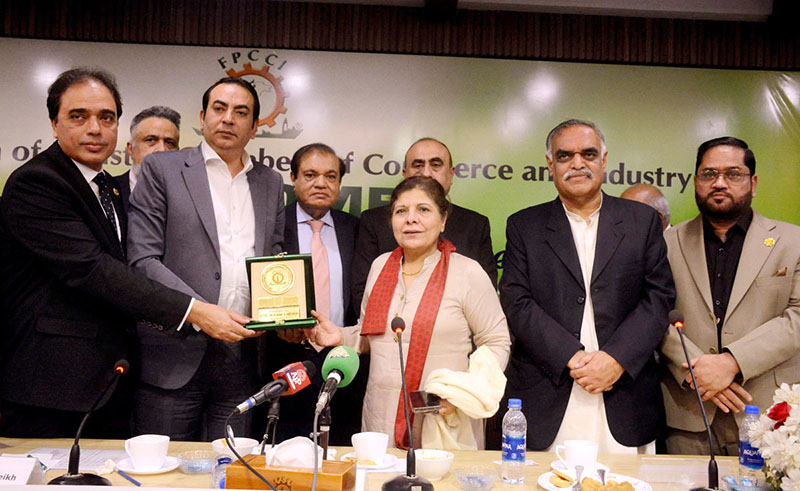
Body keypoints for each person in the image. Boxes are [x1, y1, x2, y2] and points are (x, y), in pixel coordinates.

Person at [0, 68, 255, 438]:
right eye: (78, 116)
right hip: (50, 387)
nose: (95, 128)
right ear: (54, 124)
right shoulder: (38, 183)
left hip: (106, 383)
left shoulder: (107, 187)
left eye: (106, 118)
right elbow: (93, 270)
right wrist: (196, 311)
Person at [499, 119, 674, 453]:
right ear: (550, 165)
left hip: (624, 391)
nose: (577, 164)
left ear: (604, 161)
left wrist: (615, 358)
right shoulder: (525, 225)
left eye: (588, 154)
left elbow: (659, 298)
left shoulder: (641, 221)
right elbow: (516, 301)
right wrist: (572, 356)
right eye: (565, 156)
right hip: (552, 386)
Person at [126, 77, 284, 440]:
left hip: (242, 355)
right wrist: (199, 311)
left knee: (234, 469)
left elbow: (274, 257)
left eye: (241, 112)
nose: (228, 119)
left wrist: (285, 310)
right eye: (219, 108)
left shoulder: (270, 182)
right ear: (203, 116)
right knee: (163, 472)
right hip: (173, 353)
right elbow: (143, 258)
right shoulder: (163, 169)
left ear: (255, 126)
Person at [308, 176, 510, 450]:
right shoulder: (380, 267)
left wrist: (463, 394)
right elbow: (371, 335)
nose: (410, 219)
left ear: (443, 221)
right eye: (401, 211)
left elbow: (497, 342)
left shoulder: (467, 272)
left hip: (443, 421)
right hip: (380, 420)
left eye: (423, 210)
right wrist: (341, 336)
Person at [660, 136, 800, 455]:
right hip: (690, 414)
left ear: (753, 183)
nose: (720, 182)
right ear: (696, 181)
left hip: (769, 415)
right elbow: (652, 313)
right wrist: (699, 373)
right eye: (709, 174)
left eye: (733, 174)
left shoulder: (793, 242)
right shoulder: (666, 244)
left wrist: (731, 362)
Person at [263, 142, 362, 444]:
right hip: (284, 355)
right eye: (310, 174)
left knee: (338, 448)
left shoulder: (356, 229)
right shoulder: (272, 226)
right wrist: (278, 327)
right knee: (286, 449)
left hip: (342, 359)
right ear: (293, 178)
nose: (321, 183)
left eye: (331, 176)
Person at [351, 138, 497, 312]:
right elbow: (362, 292)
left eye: (436, 165)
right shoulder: (374, 221)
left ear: (451, 174)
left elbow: (484, 298)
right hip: (389, 333)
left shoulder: (475, 225)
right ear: (405, 174)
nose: (426, 173)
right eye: (418, 165)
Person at [114, 106, 181, 216]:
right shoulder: (108, 191)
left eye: (170, 143)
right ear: (131, 149)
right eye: (151, 140)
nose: (161, 150)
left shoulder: (188, 196)